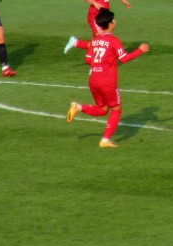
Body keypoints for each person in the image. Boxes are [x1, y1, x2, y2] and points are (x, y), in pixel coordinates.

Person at [64, 9, 149, 148]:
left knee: (103, 109)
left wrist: (99, 64)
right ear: (110, 24)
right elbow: (124, 58)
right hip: (107, 81)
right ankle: (105, 139)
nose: (115, 21)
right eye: (114, 20)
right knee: (116, 109)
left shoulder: (96, 39)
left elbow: (88, 59)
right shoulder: (114, 40)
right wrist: (140, 50)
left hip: (93, 80)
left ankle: (78, 107)